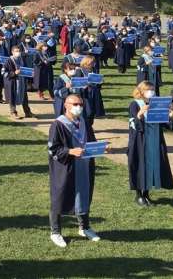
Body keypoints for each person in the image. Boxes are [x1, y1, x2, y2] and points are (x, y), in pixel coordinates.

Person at [47, 94, 103, 248]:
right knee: (59, 197)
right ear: (66, 105)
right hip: (66, 168)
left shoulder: (83, 122)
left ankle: (84, 227)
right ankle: (55, 232)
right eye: (75, 104)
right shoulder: (58, 124)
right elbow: (53, 149)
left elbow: (91, 141)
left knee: (84, 195)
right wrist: (70, 152)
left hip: (84, 166)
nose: (78, 106)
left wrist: (101, 148)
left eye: (80, 104)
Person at [127, 82, 173, 207]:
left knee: (152, 165)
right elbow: (133, 124)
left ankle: (146, 194)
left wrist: (169, 115)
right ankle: (139, 195)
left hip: (155, 139)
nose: (151, 92)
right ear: (141, 91)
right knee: (140, 166)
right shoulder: (135, 104)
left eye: (153, 89)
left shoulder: (155, 104)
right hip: (140, 141)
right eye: (148, 90)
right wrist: (140, 114)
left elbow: (164, 124)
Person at [3, 45, 33, 120]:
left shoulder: (21, 59)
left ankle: (27, 112)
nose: (18, 53)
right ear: (12, 52)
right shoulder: (8, 61)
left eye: (19, 51)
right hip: (12, 82)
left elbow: (25, 69)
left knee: (24, 96)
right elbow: (4, 72)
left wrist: (29, 73)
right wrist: (14, 73)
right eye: (16, 51)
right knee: (12, 97)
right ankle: (13, 112)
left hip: (22, 81)